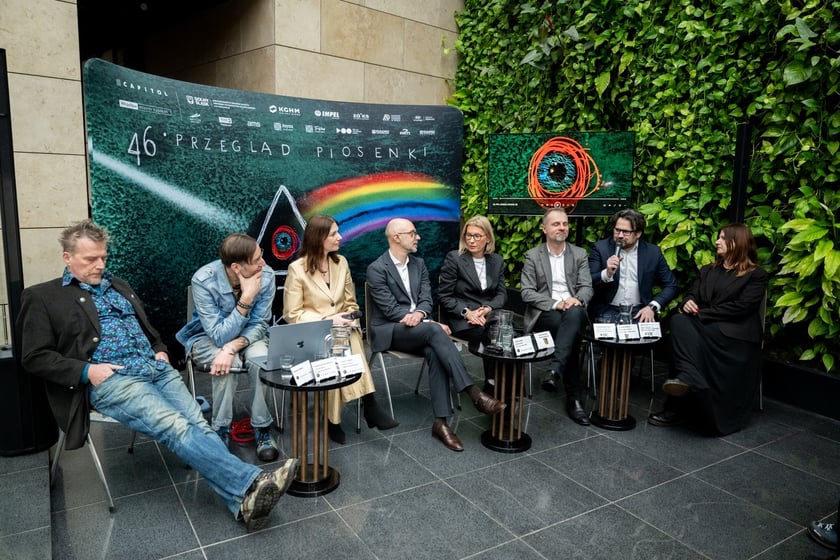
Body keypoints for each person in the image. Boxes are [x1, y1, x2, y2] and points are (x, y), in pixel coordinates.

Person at [17, 220, 298, 532]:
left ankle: (243, 503)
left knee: (197, 423)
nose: (100, 265)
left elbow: (144, 328)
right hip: (113, 378)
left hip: (156, 369)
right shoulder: (42, 297)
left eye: (103, 257)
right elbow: (33, 357)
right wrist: (87, 371)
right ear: (67, 258)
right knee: (176, 426)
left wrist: (159, 349)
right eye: (90, 259)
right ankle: (253, 481)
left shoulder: (118, 285)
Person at [366, 218, 506, 452]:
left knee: (434, 349)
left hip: (420, 330)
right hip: (391, 330)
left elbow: (426, 299)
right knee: (434, 330)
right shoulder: (377, 268)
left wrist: (422, 314)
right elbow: (390, 310)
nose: (418, 237)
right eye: (413, 233)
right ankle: (473, 392)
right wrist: (427, 321)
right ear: (397, 238)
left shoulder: (418, 264)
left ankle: (441, 423)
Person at [283, 214, 397, 444]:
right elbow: (292, 314)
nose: (340, 237)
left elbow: (350, 302)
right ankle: (367, 405)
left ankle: (335, 419)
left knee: (343, 338)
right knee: (339, 341)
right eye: (334, 234)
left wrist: (349, 317)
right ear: (318, 238)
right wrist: (328, 319)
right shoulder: (297, 269)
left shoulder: (341, 262)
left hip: (339, 330)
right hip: (311, 333)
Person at [648, 223, 769, 435]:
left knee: (681, 329)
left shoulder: (756, 275)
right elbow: (692, 294)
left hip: (734, 338)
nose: (717, 242)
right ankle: (688, 378)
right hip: (704, 330)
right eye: (718, 237)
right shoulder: (708, 270)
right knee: (680, 323)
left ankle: (676, 404)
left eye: (722, 238)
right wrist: (687, 302)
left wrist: (701, 314)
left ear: (737, 242)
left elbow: (741, 308)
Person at [177, 233, 279, 462]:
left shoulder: (267, 275)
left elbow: (260, 323)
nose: (263, 262)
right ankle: (221, 429)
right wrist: (247, 298)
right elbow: (218, 335)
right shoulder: (203, 280)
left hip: (250, 336)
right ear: (236, 267)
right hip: (206, 338)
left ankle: (262, 427)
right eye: (257, 259)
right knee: (226, 364)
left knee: (260, 360)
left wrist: (233, 347)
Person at [520, 208, 594, 426]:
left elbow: (587, 287)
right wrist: (556, 303)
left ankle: (554, 369)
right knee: (570, 331)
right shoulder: (533, 255)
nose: (562, 227)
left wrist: (576, 299)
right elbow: (527, 292)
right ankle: (574, 399)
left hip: (574, 309)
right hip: (546, 312)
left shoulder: (579, 254)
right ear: (544, 229)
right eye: (556, 224)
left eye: (565, 223)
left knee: (574, 315)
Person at [437, 216, 507, 391]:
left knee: (503, 331)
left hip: (488, 316)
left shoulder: (496, 261)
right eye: (468, 235)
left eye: (477, 236)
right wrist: (467, 312)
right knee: (493, 334)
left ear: (488, 238)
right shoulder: (455, 258)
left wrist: (488, 308)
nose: (471, 240)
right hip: (461, 318)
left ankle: (504, 385)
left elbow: (501, 294)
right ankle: (492, 383)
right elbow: (444, 296)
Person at [588, 208, 678, 323]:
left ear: (638, 233)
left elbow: (671, 285)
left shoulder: (653, 252)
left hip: (640, 311)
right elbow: (588, 280)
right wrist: (607, 273)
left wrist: (652, 307)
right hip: (608, 310)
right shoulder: (601, 248)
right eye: (617, 230)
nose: (620, 235)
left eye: (626, 232)